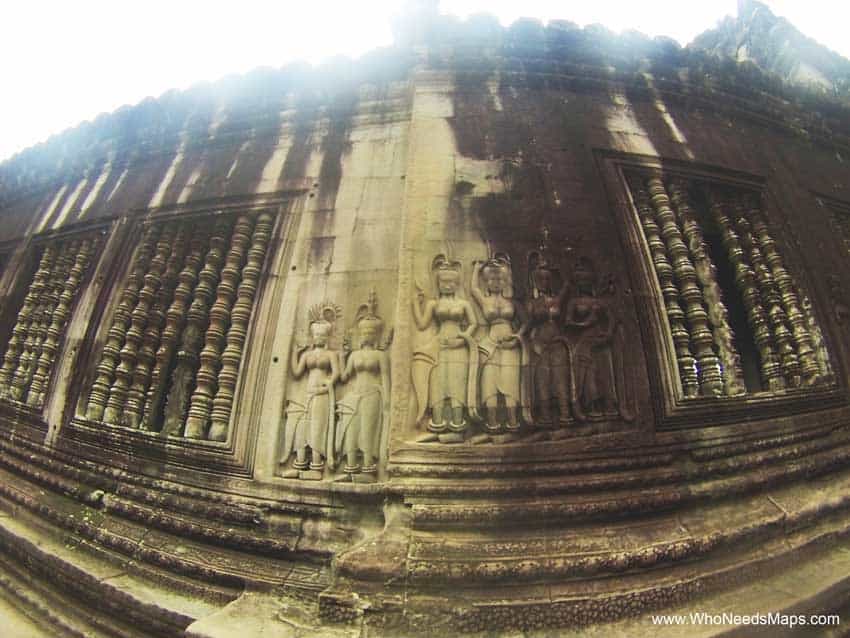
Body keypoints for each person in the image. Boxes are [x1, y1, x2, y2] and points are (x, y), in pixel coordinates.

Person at [411, 255, 478, 442]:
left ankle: (457, 427)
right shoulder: (434, 303)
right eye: (443, 282)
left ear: (457, 284)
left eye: (451, 282)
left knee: (457, 388)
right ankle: (437, 426)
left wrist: (463, 339)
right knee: (438, 387)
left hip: (459, 348)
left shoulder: (463, 304)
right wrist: (416, 303)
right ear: (438, 283)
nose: (447, 285)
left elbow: (473, 324)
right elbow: (422, 323)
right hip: (438, 348)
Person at [470, 255, 529, 435]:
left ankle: (512, 421)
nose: (495, 282)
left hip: (510, 345)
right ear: (486, 282)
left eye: (499, 279)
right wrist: (476, 268)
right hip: (490, 344)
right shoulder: (484, 300)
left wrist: (517, 337)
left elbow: (526, 322)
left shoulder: (512, 302)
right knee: (489, 383)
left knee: (510, 385)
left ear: (505, 281)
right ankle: (492, 422)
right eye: (491, 279)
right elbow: (473, 289)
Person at [280, 304, 340, 478]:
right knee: (302, 427)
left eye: (322, 335)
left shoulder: (331, 355)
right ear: (313, 336)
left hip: (321, 395)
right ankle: (299, 464)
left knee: (317, 428)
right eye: (316, 335)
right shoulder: (307, 355)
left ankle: (316, 467)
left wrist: (327, 385)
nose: (319, 337)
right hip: (307, 393)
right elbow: (297, 372)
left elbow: (335, 374)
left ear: (327, 336)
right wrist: (294, 353)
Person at [336, 292, 390, 481]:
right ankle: (350, 468)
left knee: (367, 431)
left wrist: (388, 401)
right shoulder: (355, 355)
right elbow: (344, 377)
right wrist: (342, 356)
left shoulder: (380, 355)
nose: (367, 335)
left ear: (376, 335)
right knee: (351, 430)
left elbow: (385, 376)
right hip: (354, 395)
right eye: (364, 332)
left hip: (372, 395)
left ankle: (368, 469)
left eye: (370, 332)